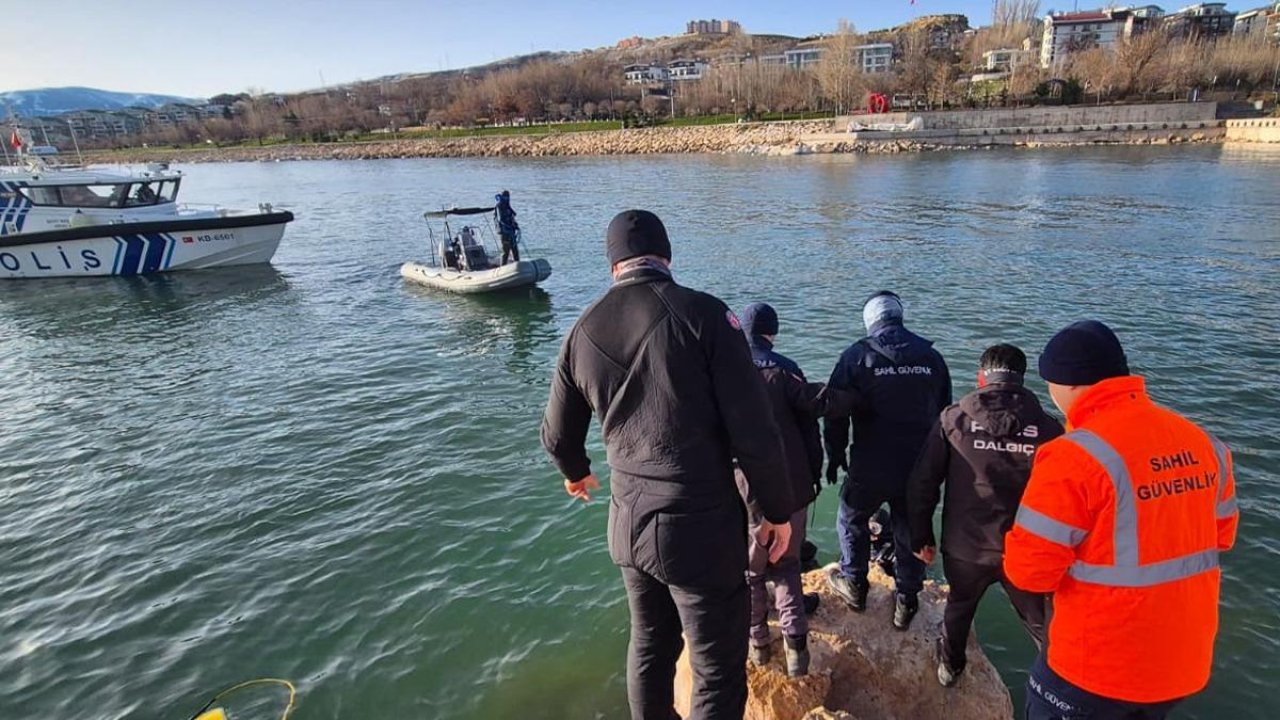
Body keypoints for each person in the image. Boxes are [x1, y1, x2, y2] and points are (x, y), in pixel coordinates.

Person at [541, 210, 795, 720]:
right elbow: (755, 430)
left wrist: (576, 472)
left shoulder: (582, 330)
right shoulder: (704, 315)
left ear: (613, 265)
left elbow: (556, 435)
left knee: (651, 646)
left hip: (627, 522)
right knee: (717, 669)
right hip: (697, 525)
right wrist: (777, 510)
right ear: (668, 257)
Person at [1004, 320, 1239, 720]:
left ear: (1068, 384)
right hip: (1179, 665)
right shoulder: (1204, 443)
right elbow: (1222, 536)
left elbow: (1030, 574)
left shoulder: (1073, 457)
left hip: (1094, 670)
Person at [906, 343, 1064, 688]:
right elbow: (1067, 497)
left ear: (982, 377)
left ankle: (950, 668)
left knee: (959, 606)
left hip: (966, 547)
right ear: (1021, 381)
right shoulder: (1050, 430)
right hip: (1026, 550)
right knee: (1042, 626)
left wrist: (921, 537)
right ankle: (1060, 686)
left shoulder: (953, 419)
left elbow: (922, 483)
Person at [737, 302, 857, 678]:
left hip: (740, 487)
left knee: (751, 570)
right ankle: (796, 651)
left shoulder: (723, 369)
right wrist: (860, 397)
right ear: (772, 333)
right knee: (787, 564)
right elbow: (814, 412)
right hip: (789, 484)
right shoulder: (785, 368)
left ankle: (757, 644)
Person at [824, 290, 951, 631]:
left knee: (852, 519)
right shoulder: (931, 357)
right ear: (899, 317)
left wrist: (834, 454)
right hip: (918, 464)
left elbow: (835, 413)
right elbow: (946, 415)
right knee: (910, 527)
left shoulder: (856, 356)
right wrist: (942, 465)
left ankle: (854, 584)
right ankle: (907, 600)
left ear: (870, 322)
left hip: (871, 461)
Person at [495, 190, 520, 264]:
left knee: (515, 250)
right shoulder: (499, 206)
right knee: (506, 251)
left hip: (511, 232)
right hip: (504, 232)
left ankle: (517, 264)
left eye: (508, 197)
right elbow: (500, 220)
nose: (507, 199)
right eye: (506, 197)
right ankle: (503, 267)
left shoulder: (508, 207)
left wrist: (515, 225)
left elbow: (512, 218)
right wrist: (508, 226)